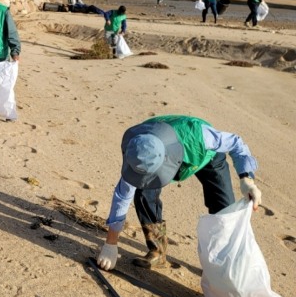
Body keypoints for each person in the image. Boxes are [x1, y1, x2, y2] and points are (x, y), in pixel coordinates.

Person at [96, 115, 261, 271]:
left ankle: (226, 263)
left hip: (205, 156)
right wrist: (111, 244)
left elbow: (236, 143)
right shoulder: (137, 152)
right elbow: (122, 198)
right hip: (158, 153)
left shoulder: (201, 136)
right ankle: (157, 251)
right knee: (143, 194)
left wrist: (246, 179)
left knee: (224, 209)